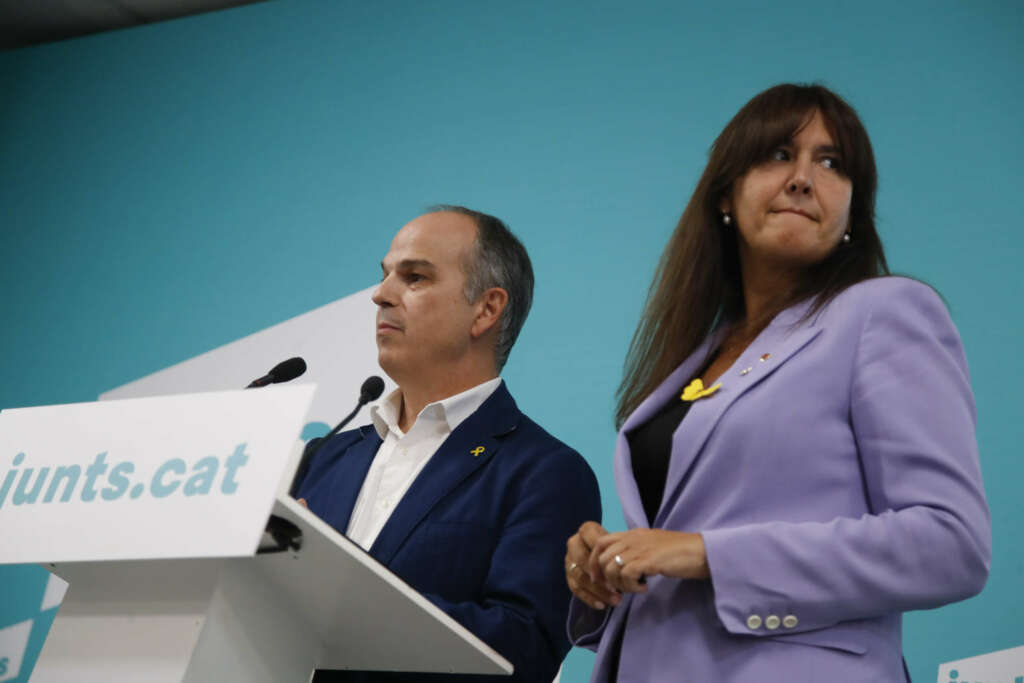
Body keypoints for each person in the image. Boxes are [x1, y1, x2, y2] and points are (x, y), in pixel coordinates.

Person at [564, 84, 991, 682]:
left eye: (831, 163)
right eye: (777, 154)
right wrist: (609, 570)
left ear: (851, 212)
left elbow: (951, 546)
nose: (802, 178)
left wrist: (707, 552)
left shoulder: (885, 312)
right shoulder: (701, 353)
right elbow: (684, 551)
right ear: (725, 196)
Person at [296, 205, 602, 683]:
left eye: (414, 277)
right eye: (385, 276)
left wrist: (340, 605)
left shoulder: (544, 472)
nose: (381, 295)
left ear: (486, 309)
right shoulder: (324, 457)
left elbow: (524, 647)